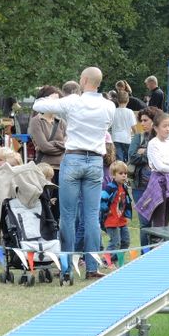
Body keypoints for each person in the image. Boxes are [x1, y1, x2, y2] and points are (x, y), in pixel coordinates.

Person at [32, 67, 114, 280]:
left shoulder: (73, 101)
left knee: (67, 215)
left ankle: (66, 267)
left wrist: (51, 98)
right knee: (92, 215)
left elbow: (37, 105)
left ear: (84, 80)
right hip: (95, 160)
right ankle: (92, 267)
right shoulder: (109, 105)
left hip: (73, 157)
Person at [136, 111, 169, 230]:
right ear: (156, 128)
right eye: (164, 126)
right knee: (159, 218)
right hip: (159, 182)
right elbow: (160, 166)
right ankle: (156, 244)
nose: (168, 129)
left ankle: (164, 242)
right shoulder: (153, 143)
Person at [129, 107, 158, 246]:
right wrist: (150, 154)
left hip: (158, 185)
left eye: (146, 120)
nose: (143, 123)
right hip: (140, 185)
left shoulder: (161, 138)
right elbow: (133, 157)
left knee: (157, 223)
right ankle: (144, 254)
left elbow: (163, 156)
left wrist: (145, 152)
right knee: (145, 223)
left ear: (154, 121)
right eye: (141, 121)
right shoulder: (138, 137)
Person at [30, 85, 67, 185]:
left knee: (60, 199)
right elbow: (44, 147)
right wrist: (60, 145)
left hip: (62, 168)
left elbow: (68, 145)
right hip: (44, 169)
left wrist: (54, 144)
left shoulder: (61, 122)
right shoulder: (36, 121)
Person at [100, 160, 133, 255]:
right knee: (115, 242)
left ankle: (117, 259)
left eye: (125, 173)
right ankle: (107, 261)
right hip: (111, 220)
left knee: (125, 242)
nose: (124, 175)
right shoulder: (110, 187)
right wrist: (106, 210)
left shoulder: (124, 187)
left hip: (121, 220)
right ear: (113, 175)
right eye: (121, 173)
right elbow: (102, 200)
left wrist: (127, 213)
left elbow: (127, 202)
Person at [111, 90, 135, 163]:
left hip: (115, 138)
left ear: (117, 100)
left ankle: (119, 172)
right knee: (128, 158)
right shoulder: (130, 112)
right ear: (128, 100)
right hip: (127, 139)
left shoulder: (113, 111)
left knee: (119, 159)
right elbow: (134, 127)